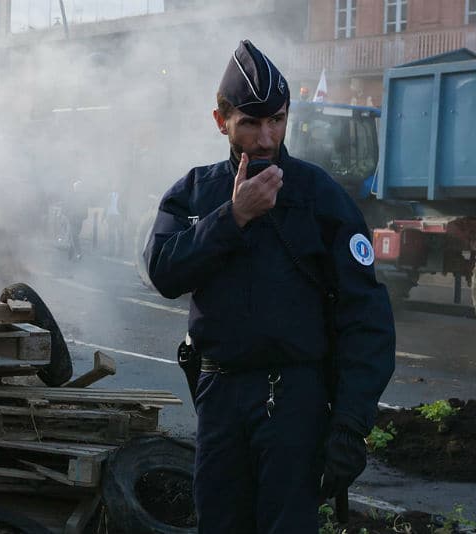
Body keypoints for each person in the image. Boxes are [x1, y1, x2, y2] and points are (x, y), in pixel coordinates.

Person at [144, 40, 395, 533]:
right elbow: (164, 272)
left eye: (276, 120)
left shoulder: (320, 196)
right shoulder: (194, 193)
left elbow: (366, 317)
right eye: (251, 123)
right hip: (219, 394)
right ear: (221, 121)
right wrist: (232, 217)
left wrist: (349, 424)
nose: (265, 138)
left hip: (294, 396)